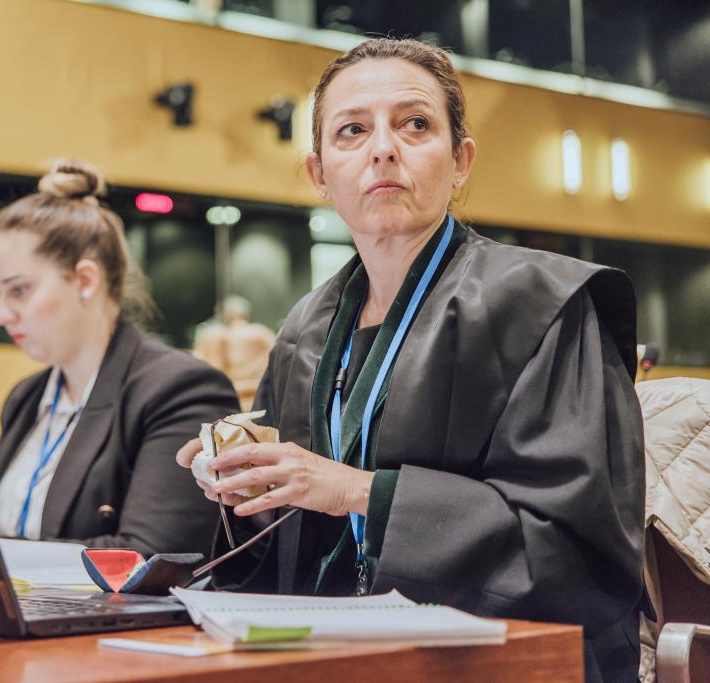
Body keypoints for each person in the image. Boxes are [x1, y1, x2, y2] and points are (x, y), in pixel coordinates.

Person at [176, 38, 643, 682]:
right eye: (352, 131)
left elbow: (575, 556)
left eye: (415, 124)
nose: (383, 148)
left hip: (495, 660)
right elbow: (296, 549)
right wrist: (248, 486)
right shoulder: (305, 329)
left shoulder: (545, 307)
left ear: (460, 161)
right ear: (319, 175)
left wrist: (359, 493)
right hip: (331, 653)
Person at [0, 159, 239, 557]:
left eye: (18, 290)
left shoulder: (180, 389)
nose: (2, 314)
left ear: (85, 280)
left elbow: (150, 555)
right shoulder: (25, 398)